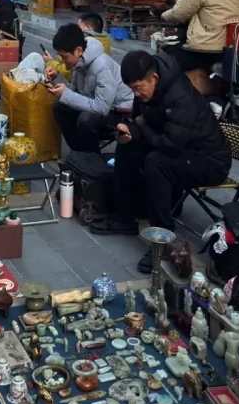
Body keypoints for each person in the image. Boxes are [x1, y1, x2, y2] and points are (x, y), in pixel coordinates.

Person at [91, 50, 231, 261]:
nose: (136, 95)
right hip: (179, 148)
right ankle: (127, 218)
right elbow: (140, 120)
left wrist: (141, 127)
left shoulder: (180, 97)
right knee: (127, 146)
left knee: (156, 162)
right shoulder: (148, 90)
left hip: (209, 161)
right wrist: (130, 131)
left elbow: (169, 145)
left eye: (138, 88)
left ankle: (163, 238)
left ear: (154, 78)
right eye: (132, 89)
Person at [46, 23, 133, 154]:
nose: (63, 62)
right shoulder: (79, 62)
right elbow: (76, 94)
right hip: (100, 107)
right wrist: (57, 80)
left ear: (78, 51)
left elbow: (101, 107)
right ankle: (80, 154)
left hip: (120, 113)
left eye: (64, 57)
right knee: (59, 108)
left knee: (86, 119)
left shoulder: (101, 66)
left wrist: (66, 94)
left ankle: (91, 159)